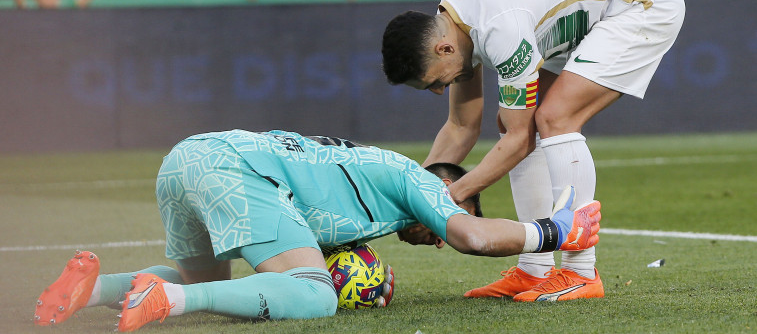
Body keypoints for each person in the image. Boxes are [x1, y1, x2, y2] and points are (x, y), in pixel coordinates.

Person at [34, 129, 601, 330]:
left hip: (189, 156)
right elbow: (474, 239)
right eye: (463, 209)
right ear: (453, 192)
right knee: (313, 293)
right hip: (237, 171)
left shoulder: (373, 178)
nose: (439, 237)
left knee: (217, 282)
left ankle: (94, 290)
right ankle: (169, 299)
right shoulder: (423, 183)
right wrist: (555, 231)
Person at [381, 0, 684, 301]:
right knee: (513, 119)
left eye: (433, 82)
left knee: (555, 119)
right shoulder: (453, 22)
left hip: (640, 3)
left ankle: (581, 271)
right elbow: (462, 127)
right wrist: (416, 198)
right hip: (580, 19)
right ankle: (534, 270)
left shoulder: (498, 28)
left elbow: (518, 139)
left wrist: (450, 198)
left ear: (443, 49)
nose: (436, 91)